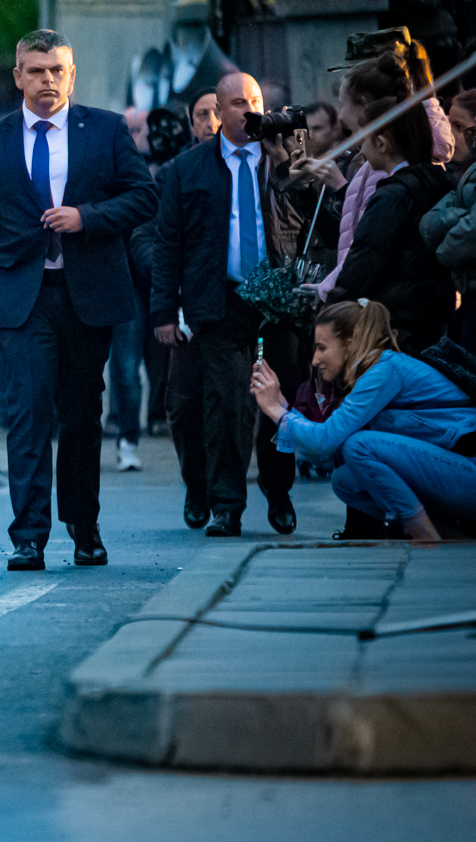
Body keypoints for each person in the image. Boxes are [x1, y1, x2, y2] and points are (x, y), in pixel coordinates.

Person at [0, 29, 158, 572]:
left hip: (87, 293)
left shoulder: (106, 130)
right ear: (18, 76)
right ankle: (28, 536)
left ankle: (83, 526)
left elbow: (144, 196)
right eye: (36, 71)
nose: (47, 80)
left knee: (82, 414)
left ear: (71, 76)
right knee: (27, 412)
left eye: (56, 71)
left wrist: (86, 217)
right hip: (21, 298)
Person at [148, 72, 325, 537]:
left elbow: (320, 219)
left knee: (279, 400)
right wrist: (164, 311)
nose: (249, 111)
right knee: (225, 404)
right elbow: (167, 244)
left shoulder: (284, 160)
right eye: (238, 103)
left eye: (255, 101)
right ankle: (226, 504)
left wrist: (294, 157)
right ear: (219, 111)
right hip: (221, 300)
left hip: (278, 303)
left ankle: (279, 492)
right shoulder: (188, 169)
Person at [251, 300, 476, 542]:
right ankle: (449, 536)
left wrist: (277, 411)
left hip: (468, 473)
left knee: (359, 445)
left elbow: (324, 442)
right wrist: (284, 408)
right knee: (345, 480)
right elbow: (326, 454)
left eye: (322, 348)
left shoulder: (384, 370)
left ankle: (423, 533)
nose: (315, 360)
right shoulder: (369, 373)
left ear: (349, 344)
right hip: (456, 474)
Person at [330, 94, 455, 349]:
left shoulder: (393, 195)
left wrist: (332, 309)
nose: (361, 148)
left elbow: (364, 262)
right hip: (431, 322)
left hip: (397, 326)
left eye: (364, 137)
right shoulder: (437, 182)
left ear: (381, 143)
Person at [419, 90, 476, 349]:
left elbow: (463, 240)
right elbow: (428, 224)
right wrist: (460, 216)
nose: (451, 134)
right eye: (449, 123)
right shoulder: (458, 175)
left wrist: (445, 248)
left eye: (460, 126)